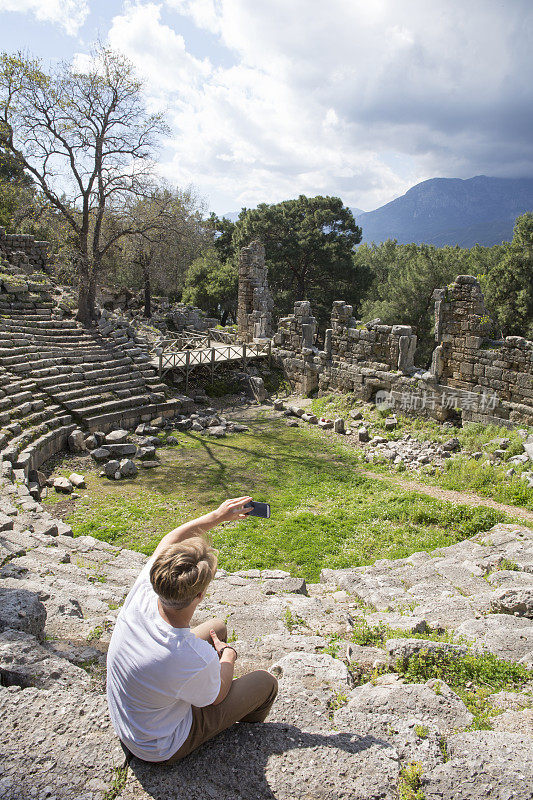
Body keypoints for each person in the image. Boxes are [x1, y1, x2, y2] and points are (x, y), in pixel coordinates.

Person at [106, 496, 278, 764]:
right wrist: (228, 656)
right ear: (199, 596)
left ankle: (192, 689)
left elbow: (171, 538)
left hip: (131, 713)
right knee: (265, 683)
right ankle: (245, 730)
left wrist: (219, 515)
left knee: (217, 628)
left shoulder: (143, 592)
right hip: (158, 745)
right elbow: (217, 695)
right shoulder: (191, 656)